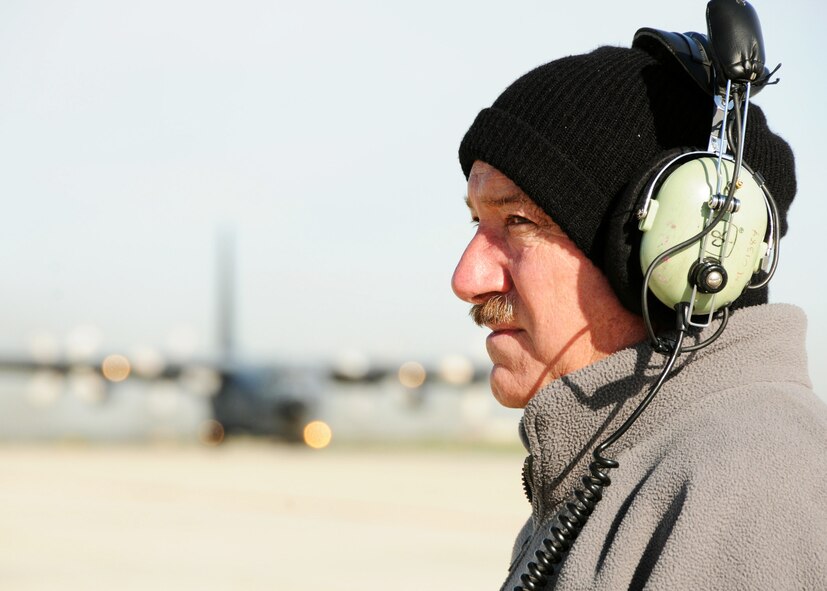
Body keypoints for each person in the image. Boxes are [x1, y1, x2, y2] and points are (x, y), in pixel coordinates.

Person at [452, 24, 827, 591]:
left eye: (520, 222)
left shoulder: (740, 486)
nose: (468, 278)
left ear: (681, 254)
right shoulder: (632, 471)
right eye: (476, 222)